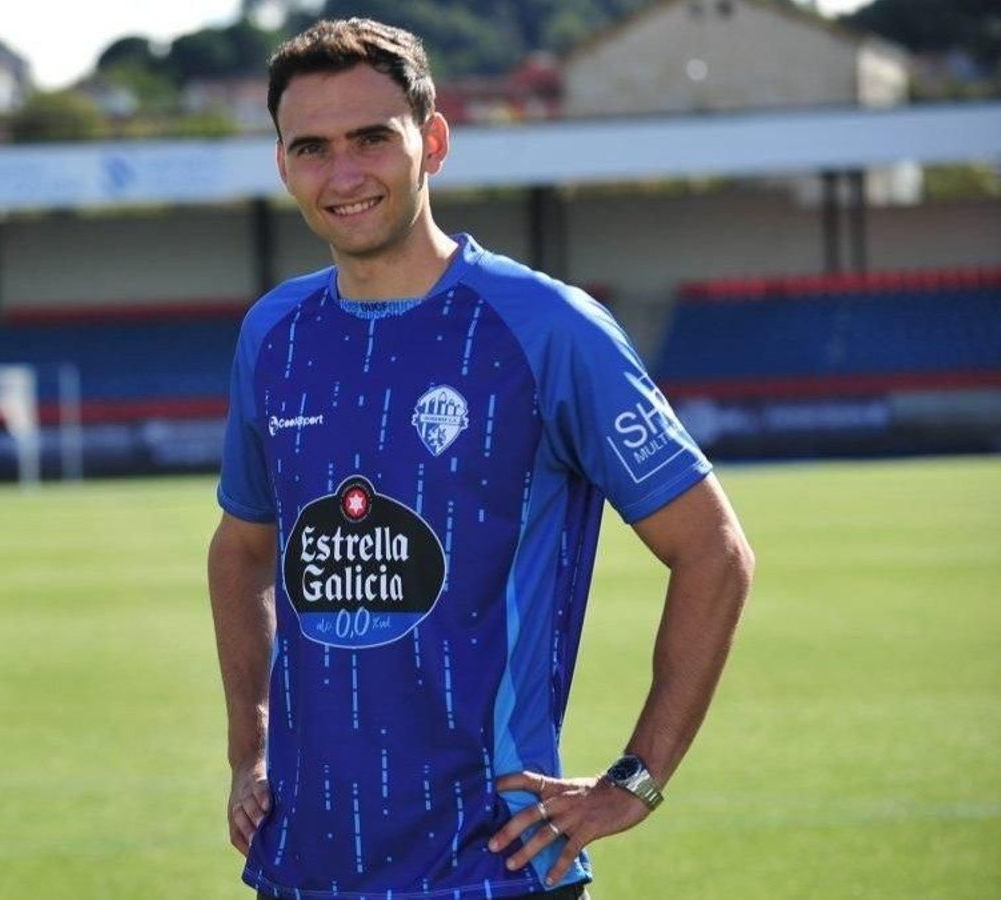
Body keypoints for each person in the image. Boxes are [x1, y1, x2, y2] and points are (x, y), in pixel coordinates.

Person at [207, 17, 755, 899]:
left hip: (493, 869)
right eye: (311, 147)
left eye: (371, 140)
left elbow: (714, 551)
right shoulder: (273, 334)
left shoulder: (547, 329)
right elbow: (241, 550)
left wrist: (636, 781)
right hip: (301, 869)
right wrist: (250, 747)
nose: (342, 174)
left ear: (432, 141)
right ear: (282, 164)